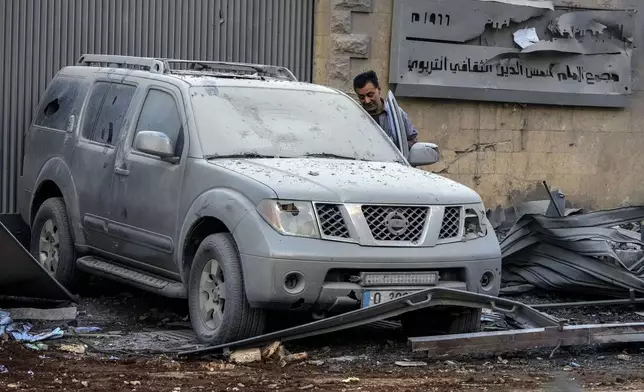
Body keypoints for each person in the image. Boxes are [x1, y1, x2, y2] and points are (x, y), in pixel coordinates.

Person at [353, 70, 418, 150]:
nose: (367, 101)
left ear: (379, 89)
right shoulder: (354, 117)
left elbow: (412, 140)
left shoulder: (397, 114)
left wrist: (395, 148)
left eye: (370, 95)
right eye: (361, 97)